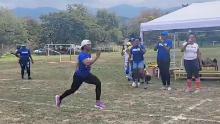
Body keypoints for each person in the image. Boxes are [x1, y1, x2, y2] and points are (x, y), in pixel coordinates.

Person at [55, 40, 106, 110]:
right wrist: (97, 57)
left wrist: (79, 68)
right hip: (80, 76)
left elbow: (83, 64)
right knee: (73, 90)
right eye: (89, 45)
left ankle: (98, 103)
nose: (90, 46)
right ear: (84, 46)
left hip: (85, 75)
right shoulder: (82, 55)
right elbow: (87, 63)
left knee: (97, 83)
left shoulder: (88, 54)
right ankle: (59, 98)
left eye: (90, 44)